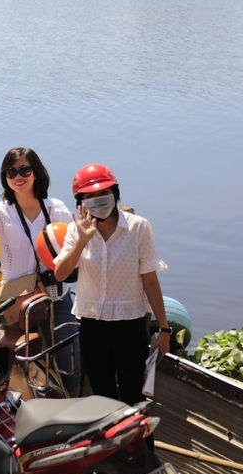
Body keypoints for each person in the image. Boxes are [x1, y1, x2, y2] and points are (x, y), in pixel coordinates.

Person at [53, 164, 169, 404]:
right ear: (81, 202)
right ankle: (112, 442)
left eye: (103, 193)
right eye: (90, 196)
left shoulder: (138, 227)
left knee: (133, 398)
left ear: (115, 193)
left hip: (131, 325)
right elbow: (61, 274)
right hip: (92, 325)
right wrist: (82, 241)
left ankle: (139, 442)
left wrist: (164, 329)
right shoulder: (77, 231)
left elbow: (150, 279)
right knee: (102, 396)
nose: (98, 200)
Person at [0, 147, 79, 394]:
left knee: (68, 363)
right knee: (22, 367)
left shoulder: (56, 209)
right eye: (11, 171)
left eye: (25, 170)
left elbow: (75, 248)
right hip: (18, 303)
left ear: (37, 173)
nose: (18, 176)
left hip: (56, 298)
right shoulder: (1, 212)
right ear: (4, 177)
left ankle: (72, 411)